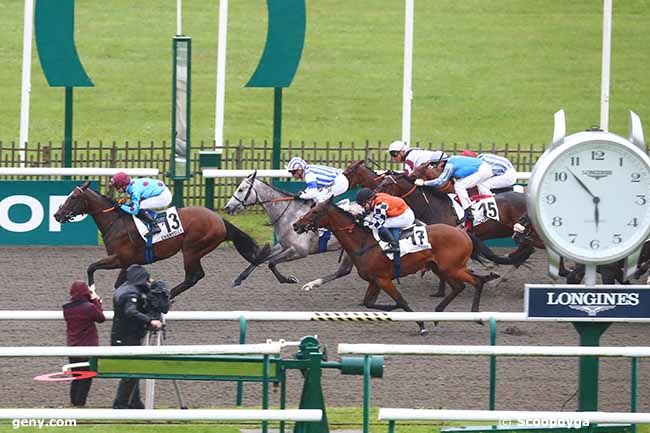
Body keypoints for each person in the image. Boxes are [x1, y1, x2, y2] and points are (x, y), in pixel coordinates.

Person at [111, 264, 162, 409]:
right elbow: (131, 312)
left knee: (133, 371)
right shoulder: (131, 293)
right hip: (127, 337)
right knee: (131, 371)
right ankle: (120, 404)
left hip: (123, 336)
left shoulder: (125, 289)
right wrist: (150, 320)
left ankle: (135, 403)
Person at [62, 280, 105, 407]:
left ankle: (73, 403)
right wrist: (96, 300)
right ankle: (80, 405)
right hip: (87, 348)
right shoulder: (89, 307)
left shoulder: (67, 308)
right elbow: (101, 318)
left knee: (76, 378)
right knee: (86, 378)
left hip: (72, 347)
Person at [414, 155, 493, 222]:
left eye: (435, 166)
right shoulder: (450, 160)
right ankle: (490, 201)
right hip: (482, 168)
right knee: (466, 184)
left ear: (441, 162)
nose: (435, 168)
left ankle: (468, 212)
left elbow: (440, 181)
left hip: (482, 170)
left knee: (459, 186)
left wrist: (424, 183)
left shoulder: (449, 165)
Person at [110, 172, 172, 237]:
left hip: (163, 196)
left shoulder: (134, 190)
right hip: (161, 191)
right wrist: (125, 205)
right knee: (139, 205)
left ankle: (155, 226)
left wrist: (121, 206)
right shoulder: (131, 184)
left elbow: (134, 210)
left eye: (116, 187)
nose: (116, 189)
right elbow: (134, 204)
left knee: (140, 207)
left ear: (122, 185)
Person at [355, 187, 414, 254]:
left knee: (382, 225)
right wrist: (362, 215)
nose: (363, 207)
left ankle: (395, 246)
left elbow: (378, 223)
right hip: (401, 212)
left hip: (405, 217)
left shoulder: (380, 204)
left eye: (363, 205)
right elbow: (370, 211)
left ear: (369, 200)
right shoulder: (375, 198)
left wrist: (364, 223)